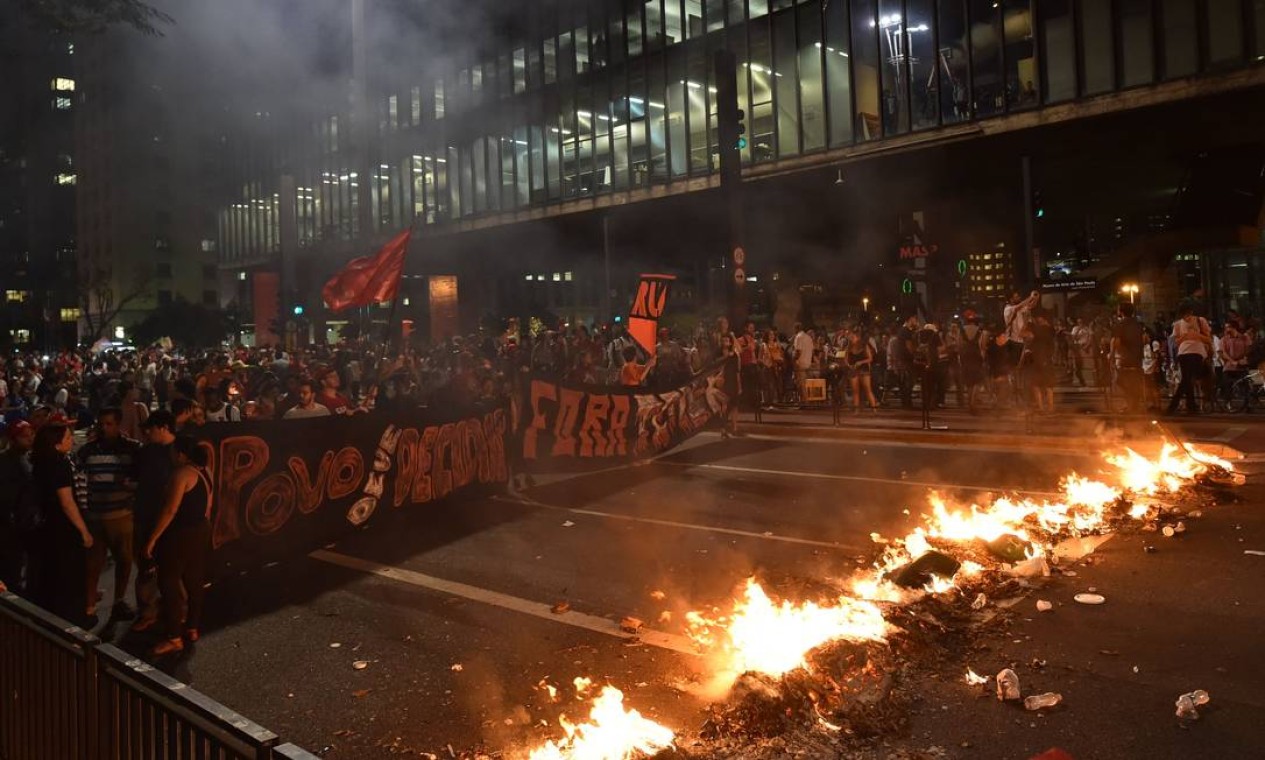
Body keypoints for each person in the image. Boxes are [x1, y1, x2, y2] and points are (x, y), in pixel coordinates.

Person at [144, 435, 213, 656]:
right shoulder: (205, 471)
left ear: (182, 455)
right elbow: (208, 505)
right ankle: (192, 627)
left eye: (173, 452)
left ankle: (174, 637)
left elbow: (170, 510)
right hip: (200, 529)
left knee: (169, 582)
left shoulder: (182, 474)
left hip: (180, 534)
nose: (171, 455)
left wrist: (153, 538)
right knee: (194, 580)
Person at [78, 407, 142, 621]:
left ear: (118, 424)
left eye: (109, 424)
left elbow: (141, 480)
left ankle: (119, 601)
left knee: (124, 561)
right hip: (95, 517)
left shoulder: (133, 450)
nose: (105, 428)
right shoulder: (87, 451)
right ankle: (88, 607)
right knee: (92, 564)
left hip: (121, 515)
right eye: (101, 424)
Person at [30, 423, 93, 625]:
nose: (71, 441)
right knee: (69, 577)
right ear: (56, 444)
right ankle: (71, 622)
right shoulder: (59, 464)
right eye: (67, 438)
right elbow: (67, 502)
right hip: (64, 528)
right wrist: (83, 531)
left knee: (51, 574)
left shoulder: (39, 462)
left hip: (46, 526)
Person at [130, 410, 177, 632]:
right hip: (145, 515)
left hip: (172, 519)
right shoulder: (146, 452)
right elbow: (134, 477)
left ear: (164, 427)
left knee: (173, 566)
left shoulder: (181, 452)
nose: (147, 432)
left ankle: (176, 612)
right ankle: (148, 611)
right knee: (146, 565)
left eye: (152, 428)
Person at [0, 421, 36, 592]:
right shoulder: (5, 461)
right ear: (13, 439)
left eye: (31, 435)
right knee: (10, 571)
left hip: (24, 525)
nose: (29, 439)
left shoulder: (28, 458)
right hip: (9, 527)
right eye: (24, 436)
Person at [1167, 305, 1212, 415]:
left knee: (1187, 379)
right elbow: (1176, 342)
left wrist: (1196, 335)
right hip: (1183, 353)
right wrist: (1185, 336)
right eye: (1184, 317)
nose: (1186, 318)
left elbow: (1208, 339)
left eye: (1188, 315)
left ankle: (1174, 406)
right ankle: (1190, 407)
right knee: (1187, 379)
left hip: (1197, 352)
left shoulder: (1200, 321)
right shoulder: (1177, 324)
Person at [1110, 303, 1145, 413]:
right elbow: (1144, 339)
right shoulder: (1138, 324)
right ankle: (1134, 405)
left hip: (1125, 357)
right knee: (1134, 381)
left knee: (1121, 381)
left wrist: (1111, 354)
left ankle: (1130, 405)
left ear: (1121, 311)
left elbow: (1117, 341)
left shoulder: (1120, 324)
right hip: (1138, 357)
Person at [842, 332, 878, 413]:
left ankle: (874, 408)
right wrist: (849, 365)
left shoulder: (864, 346)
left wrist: (861, 362)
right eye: (850, 338)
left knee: (868, 389)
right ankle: (856, 409)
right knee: (855, 391)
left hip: (863, 369)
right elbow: (845, 359)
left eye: (852, 337)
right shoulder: (849, 347)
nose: (851, 339)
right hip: (853, 370)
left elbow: (870, 358)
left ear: (857, 337)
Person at [791, 323, 815, 401]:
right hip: (808, 363)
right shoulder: (809, 338)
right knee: (808, 384)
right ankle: (810, 401)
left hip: (800, 363)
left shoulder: (798, 337)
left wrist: (794, 359)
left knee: (801, 384)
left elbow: (798, 351)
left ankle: (804, 402)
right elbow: (812, 351)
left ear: (796, 329)